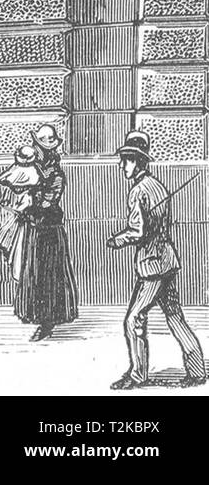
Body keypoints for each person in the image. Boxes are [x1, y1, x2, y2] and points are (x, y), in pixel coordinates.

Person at [107, 131, 206, 390]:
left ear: (138, 161)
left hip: (152, 265)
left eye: (126, 160)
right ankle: (197, 370)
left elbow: (138, 231)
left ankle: (138, 376)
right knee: (174, 316)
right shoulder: (158, 186)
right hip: (167, 260)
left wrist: (117, 239)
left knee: (134, 319)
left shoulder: (139, 190)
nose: (122, 165)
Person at [15, 124, 78, 341]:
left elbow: (49, 201)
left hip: (49, 229)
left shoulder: (55, 174)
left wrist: (33, 201)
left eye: (40, 146)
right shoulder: (32, 169)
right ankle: (36, 316)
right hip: (34, 227)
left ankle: (47, 321)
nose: (36, 149)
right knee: (34, 272)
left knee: (48, 275)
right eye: (36, 144)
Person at [0, 145, 41, 287]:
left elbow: (2, 179)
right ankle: (19, 272)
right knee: (15, 241)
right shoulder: (30, 171)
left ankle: (19, 273)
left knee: (16, 242)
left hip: (20, 210)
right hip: (17, 210)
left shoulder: (19, 170)